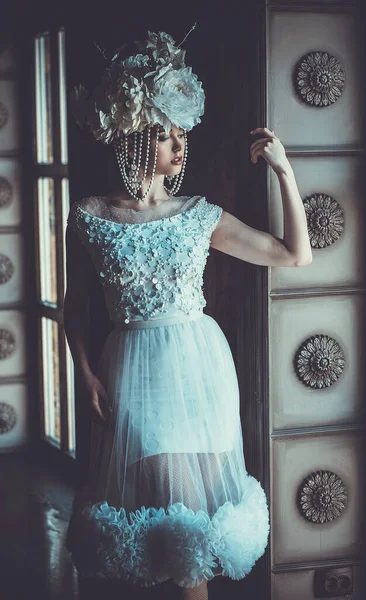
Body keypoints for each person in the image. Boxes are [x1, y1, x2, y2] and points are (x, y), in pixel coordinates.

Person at [64, 28, 312, 600]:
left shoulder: (199, 215)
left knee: (188, 536)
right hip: (128, 371)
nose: (181, 147)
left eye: (182, 136)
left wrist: (285, 171)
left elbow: (293, 254)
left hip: (198, 372)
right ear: (134, 138)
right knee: (151, 533)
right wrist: (85, 372)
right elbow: (74, 306)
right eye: (167, 135)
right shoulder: (89, 216)